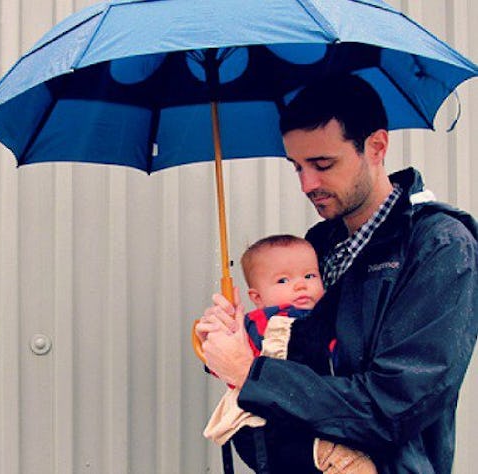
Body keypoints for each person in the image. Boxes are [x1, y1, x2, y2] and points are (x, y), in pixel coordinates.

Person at [195, 74, 478, 473]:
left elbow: (395, 407)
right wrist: (240, 340)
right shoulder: (321, 243)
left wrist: (251, 373)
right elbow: (301, 365)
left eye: (322, 164)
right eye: (297, 167)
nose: (307, 184)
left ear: (376, 147)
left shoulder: (439, 245)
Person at [204, 234, 374, 473]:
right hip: (268, 427)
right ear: (257, 297)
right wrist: (219, 337)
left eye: (309, 276)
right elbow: (224, 362)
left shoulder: (327, 318)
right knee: (351, 463)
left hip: (311, 420)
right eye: (283, 280)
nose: (300, 285)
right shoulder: (258, 323)